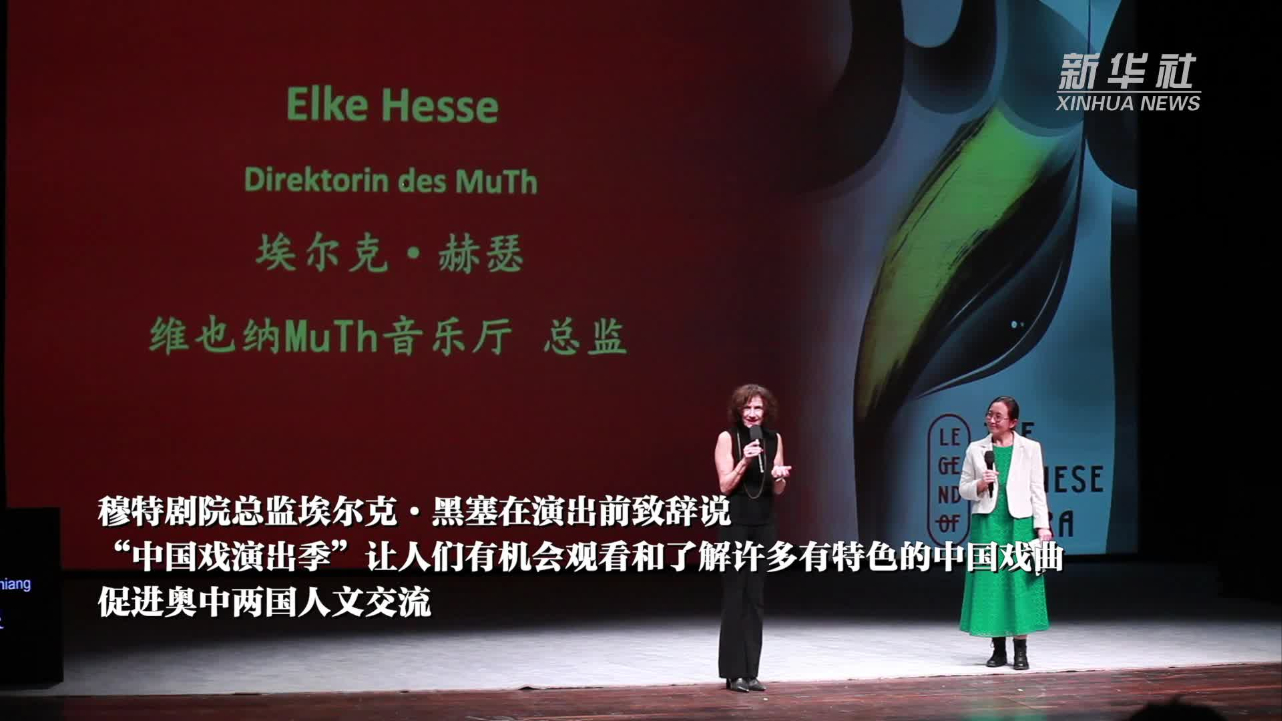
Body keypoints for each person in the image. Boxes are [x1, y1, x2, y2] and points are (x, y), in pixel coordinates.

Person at [957, 395, 1052, 670]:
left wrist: (1042, 525)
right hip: (987, 523)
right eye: (990, 414)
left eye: (998, 416)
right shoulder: (976, 449)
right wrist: (980, 484)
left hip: (1019, 523)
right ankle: (998, 650)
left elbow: (1037, 489)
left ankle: (1021, 650)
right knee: (991, 583)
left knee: (1019, 584)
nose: (991, 420)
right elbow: (963, 488)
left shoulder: (1030, 448)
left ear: (1013, 422)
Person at [713, 383, 792, 692]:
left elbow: (777, 489)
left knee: (756, 596)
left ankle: (751, 672)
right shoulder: (728, 438)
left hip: (764, 523)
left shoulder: (774, 439)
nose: (752, 413)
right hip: (736, 523)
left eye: (757, 407)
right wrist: (745, 460)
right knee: (736, 593)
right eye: (747, 407)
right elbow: (725, 486)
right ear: (738, 410)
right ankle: (733, 672)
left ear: (765, 410)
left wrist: (780, 477)